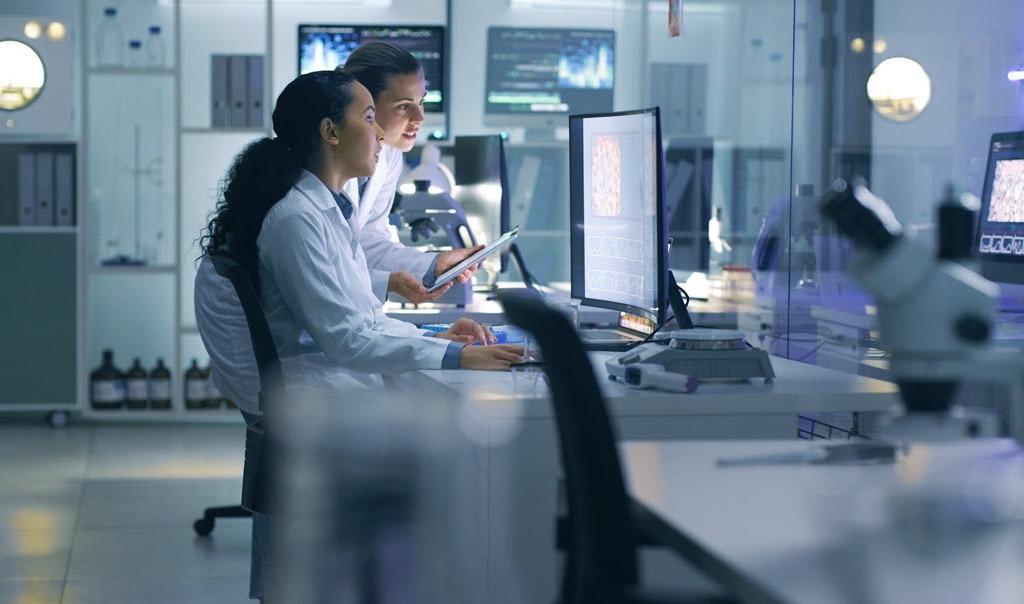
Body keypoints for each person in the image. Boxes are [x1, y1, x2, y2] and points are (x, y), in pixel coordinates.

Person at [194, 69, 523, 601]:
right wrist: (455, 358)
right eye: (370, 118)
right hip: (322, 397)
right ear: (330, 132)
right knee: (474, 451)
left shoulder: (326, 211)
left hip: (328, 385)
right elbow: (347, 338)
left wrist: (446, 339)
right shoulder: (297, 219)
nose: (381, 134)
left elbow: (361, 318)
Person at [340, 41, 479, 304]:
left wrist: (434, 264)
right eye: (404, 106)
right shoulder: (319, 169)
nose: (419, 117)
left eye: (421, 102)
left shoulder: (390, 155)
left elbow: (367, 241)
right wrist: (390, 283)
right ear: (363, 104)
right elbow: (328, 273)